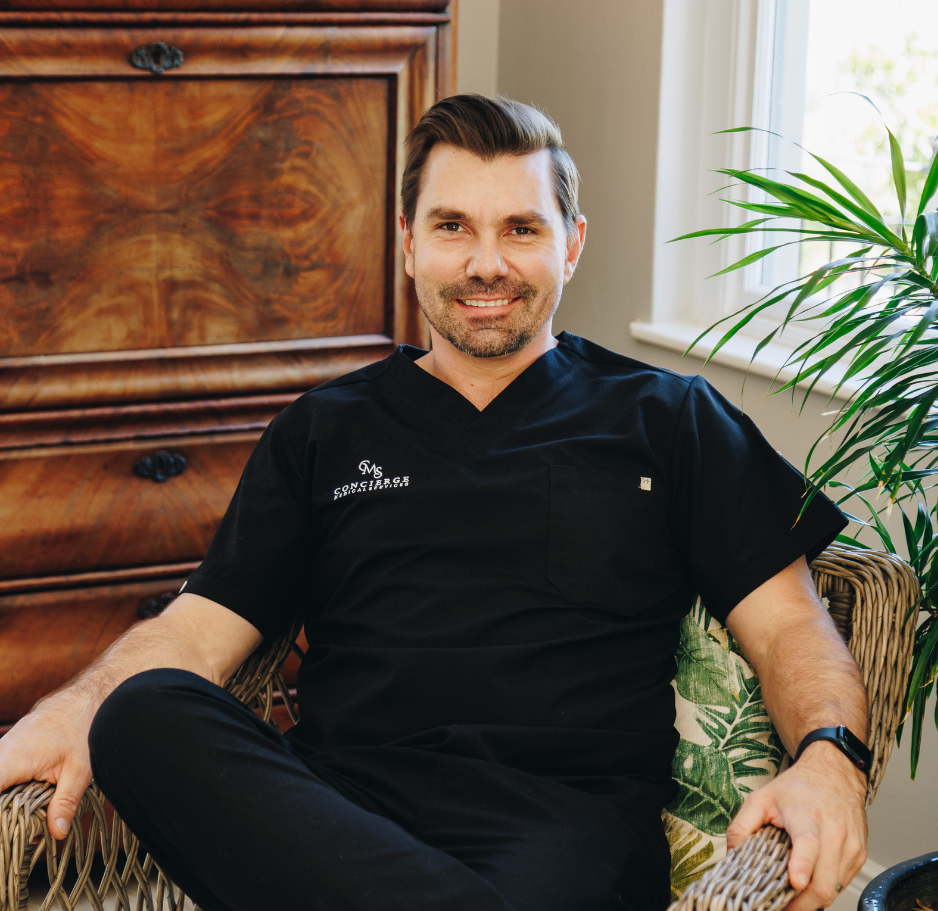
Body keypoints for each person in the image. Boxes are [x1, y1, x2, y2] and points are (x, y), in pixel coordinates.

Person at [0, 95, 869, 911]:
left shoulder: (670, 419)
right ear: (409, 241)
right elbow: (196, 630)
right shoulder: (323, 429)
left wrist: (832, 758)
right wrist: (75, 705)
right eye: (453, 226)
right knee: (142, 711)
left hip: (563, 828)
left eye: (522, 228)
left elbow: (790, 626)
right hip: (330, 816)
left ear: (571, 245)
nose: (486, 264)